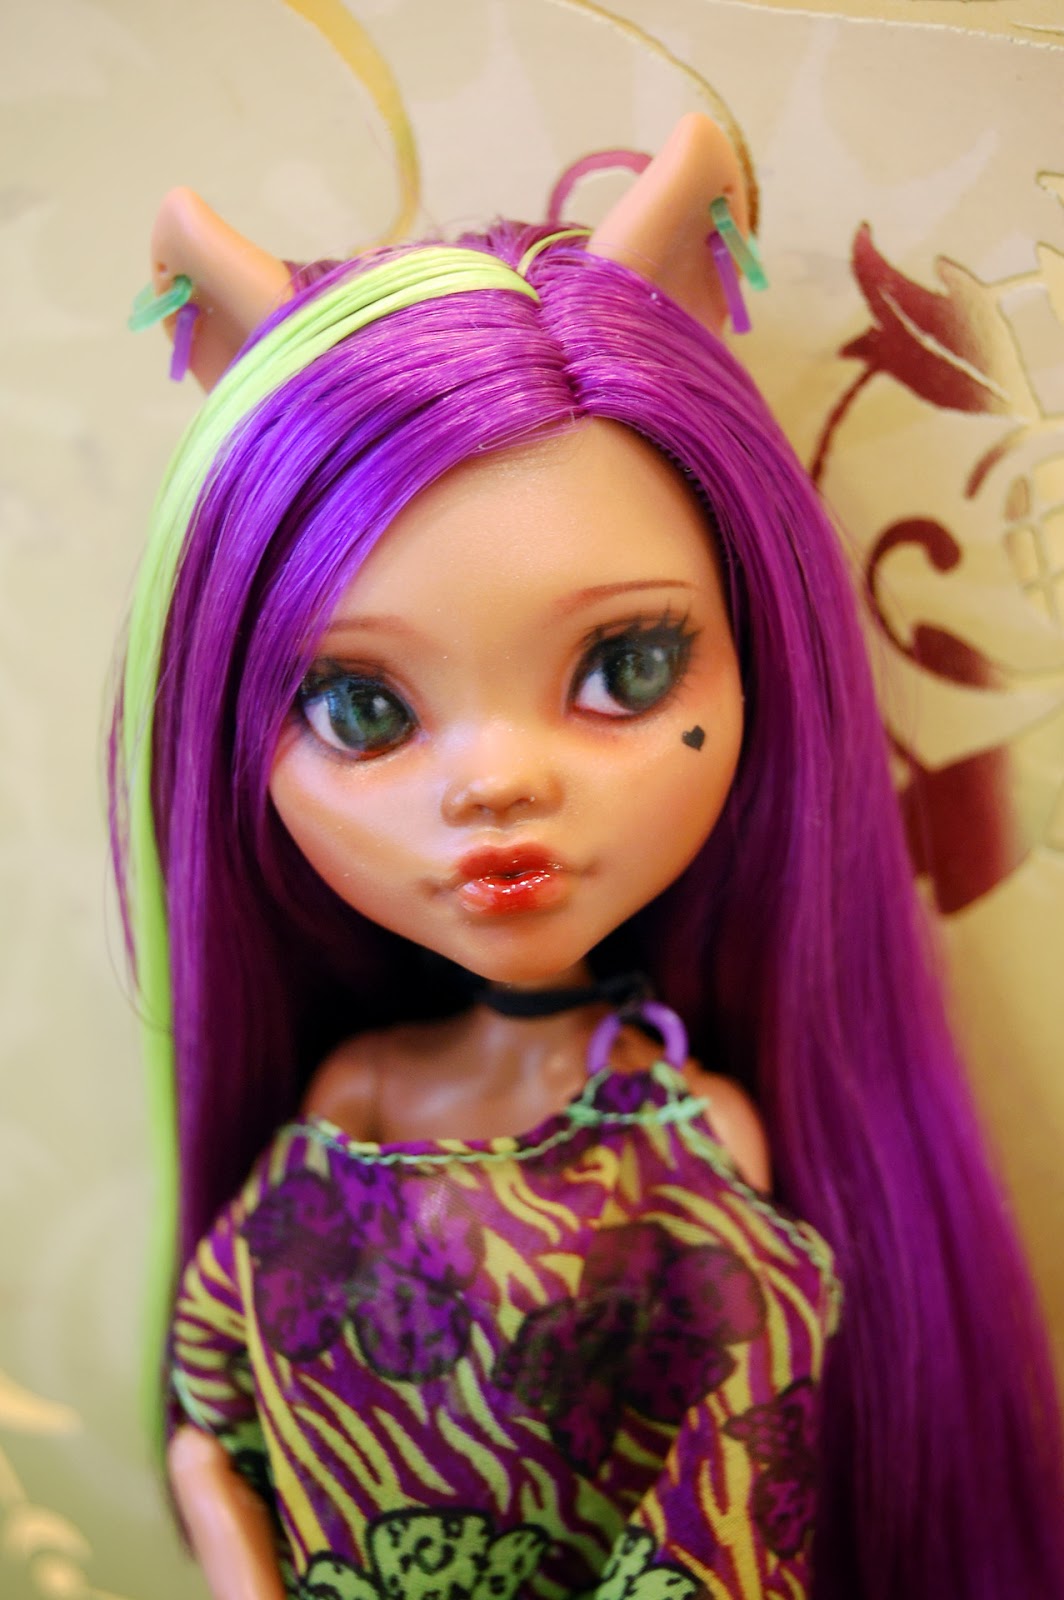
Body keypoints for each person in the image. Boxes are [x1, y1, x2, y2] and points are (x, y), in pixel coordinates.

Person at [111, 117, 1064, 1599]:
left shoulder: (693, 1145)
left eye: (625, 668)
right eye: (363, 708)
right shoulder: (351, 1098)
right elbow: (212, 1417)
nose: (498, 786)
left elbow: (730, 1491)